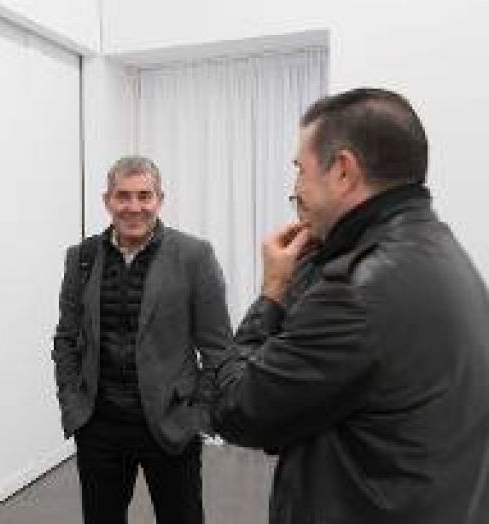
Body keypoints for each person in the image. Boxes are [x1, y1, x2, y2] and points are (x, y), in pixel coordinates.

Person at [209, 88, 489, 523]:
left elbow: (236, 409)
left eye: (300, 170)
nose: (296, 190)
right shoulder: (441, 251)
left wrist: (272, 291)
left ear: (342, 170)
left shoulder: (356, 293)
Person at [52, 156, 231, 524]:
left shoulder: (194, 256)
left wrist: (198, 415)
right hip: (99, 427)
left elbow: (218, 349)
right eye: (123, 196)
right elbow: (66, 339)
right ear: (107, 201)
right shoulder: (81, 258)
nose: (134, 207)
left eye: (144, 196)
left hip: (171, 426)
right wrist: (73, 405)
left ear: (159, 200)